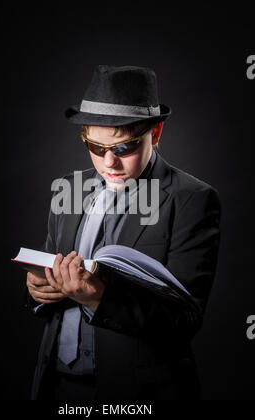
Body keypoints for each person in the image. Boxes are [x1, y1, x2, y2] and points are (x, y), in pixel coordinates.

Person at [25, 65, 221, 401]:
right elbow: (49, 264)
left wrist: (98, 297)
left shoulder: (192, 200)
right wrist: (38, 289)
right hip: (56, 384)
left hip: (137, 391)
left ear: (155, 133)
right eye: (96, 148)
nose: (108, 164)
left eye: (123, 148)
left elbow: (185, 319)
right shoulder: (68, 188)